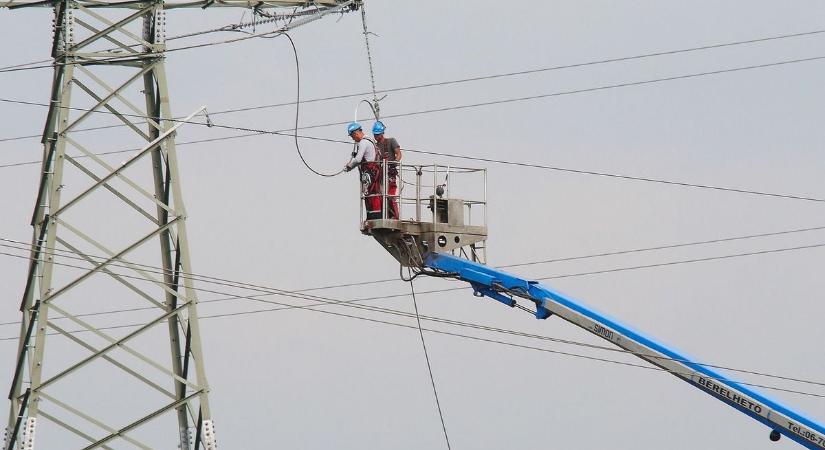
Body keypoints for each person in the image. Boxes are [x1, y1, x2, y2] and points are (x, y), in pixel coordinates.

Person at [344, 122, 383, 220]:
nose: (353, 139)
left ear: (356, 133)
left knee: (371, 195)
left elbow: (357, 159)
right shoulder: (370, 141)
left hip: (370, 172)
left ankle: (374, 217)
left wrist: (349, 167)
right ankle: (371, 217)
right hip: (373, 172)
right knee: (370, 195)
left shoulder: (363, 143)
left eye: (352, 136)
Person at [372, 121, 402, 219]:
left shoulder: (391, 141)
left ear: (382, 133)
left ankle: (395, 216)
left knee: (390, 195)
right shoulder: (375, 146)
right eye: (375, 134)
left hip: (390, 174)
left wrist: (393, 164)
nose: (376, 136)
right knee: (380, 196)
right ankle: (385, 216)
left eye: (378, 134)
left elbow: (399, 154)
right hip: (380, 175)